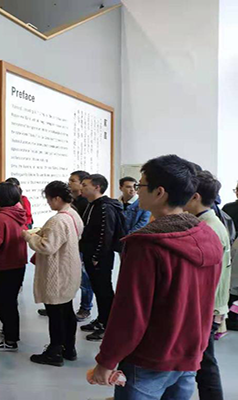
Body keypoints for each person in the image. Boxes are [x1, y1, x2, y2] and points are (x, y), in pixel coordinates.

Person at [89, 155, 223, 399]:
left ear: (159, 192)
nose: (137, 190)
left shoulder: (146, 246)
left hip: (150, 358)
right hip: (189, 354)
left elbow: (130, 312)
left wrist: (106, 361)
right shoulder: (207, 235)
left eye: (140, 185)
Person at [23, 181, 84, 367]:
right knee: (67, 311)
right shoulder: (73, 214)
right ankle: (69, 348)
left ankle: (54, 352)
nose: (48, 203)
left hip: (57, 272)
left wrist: (30, 237)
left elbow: (46, 246)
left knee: (56, 314)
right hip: (69, 269)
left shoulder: (57, 220)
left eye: (49, 199)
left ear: (57, 198)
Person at [184, 170, 231, 400]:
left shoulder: (207, 227)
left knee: (205, 363)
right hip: (212, 306)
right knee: (204, 361)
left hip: (208, 307)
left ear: (195, 196)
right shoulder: (209, 221)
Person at [79, 174, 124, 341]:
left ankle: (108, 325)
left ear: (97, 187)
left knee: (104, 290)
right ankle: (102, 319)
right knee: (98, 289)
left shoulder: (105, 207)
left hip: (100, 257)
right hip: (91, 254)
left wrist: (97, 255)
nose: (82, 188)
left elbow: (106, 234)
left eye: (85, 185)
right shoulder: (93, 205)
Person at [0, 182, 28, 352]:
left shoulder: (0, 218)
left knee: (3, 303)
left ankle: (10, 339)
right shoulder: (18, 213)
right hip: (17, 263)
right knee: (10, 302)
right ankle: (10, 331)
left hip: (3, 265)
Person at [68, 170, 93, 322]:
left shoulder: (85, 203)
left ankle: (85, 307)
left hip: (82, 245)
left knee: (84, 278)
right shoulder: (72, 200)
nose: (69, 183)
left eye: (73, 180)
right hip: (73, 244)